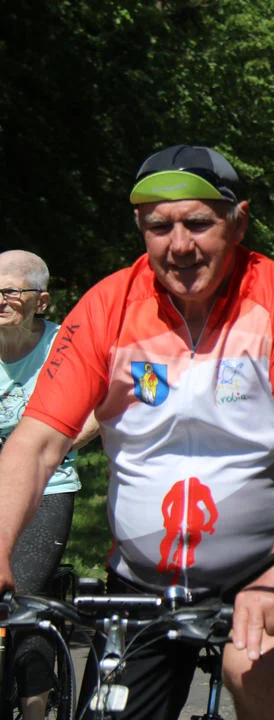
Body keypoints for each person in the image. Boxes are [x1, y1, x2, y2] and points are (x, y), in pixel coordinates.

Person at [0, 146, 274, 720]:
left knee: (251, 669)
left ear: (238, 221)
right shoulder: (106, 306)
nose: (178, 244)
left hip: (266, 565)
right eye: (159, 226)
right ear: (140, 227)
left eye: (198, 223)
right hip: (139, 581)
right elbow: (35, 445)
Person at [0, 251, 98, 720]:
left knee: (21, 598)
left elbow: (101, 403)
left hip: (47, 484)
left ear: (40, 301)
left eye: (9, 291)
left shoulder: (64, 345)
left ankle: (34, 707)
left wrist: (58, 443)